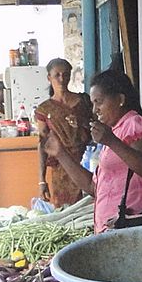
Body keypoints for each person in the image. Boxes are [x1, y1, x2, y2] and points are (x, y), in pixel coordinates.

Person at [41, 68, 142, 233]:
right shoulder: (114, 131)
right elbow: (93, 188)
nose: (94, 110)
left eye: (99, 102)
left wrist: (111, 141)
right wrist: (61, 154)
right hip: (112, 230)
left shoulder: (134, 124)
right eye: (93, 104)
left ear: (120, 99)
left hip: (133, 228)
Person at [34, 58, 93, 207]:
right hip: (61, 168)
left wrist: (81, 123)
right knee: (67, 212)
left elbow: (97, 127)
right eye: (57, 75)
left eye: (65, 75)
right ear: (49, 78)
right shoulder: (44, 109)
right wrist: (42, 180)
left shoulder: (84, 101)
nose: (62, 79)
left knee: (91, 204)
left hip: (87, 161)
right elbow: (43, 143)